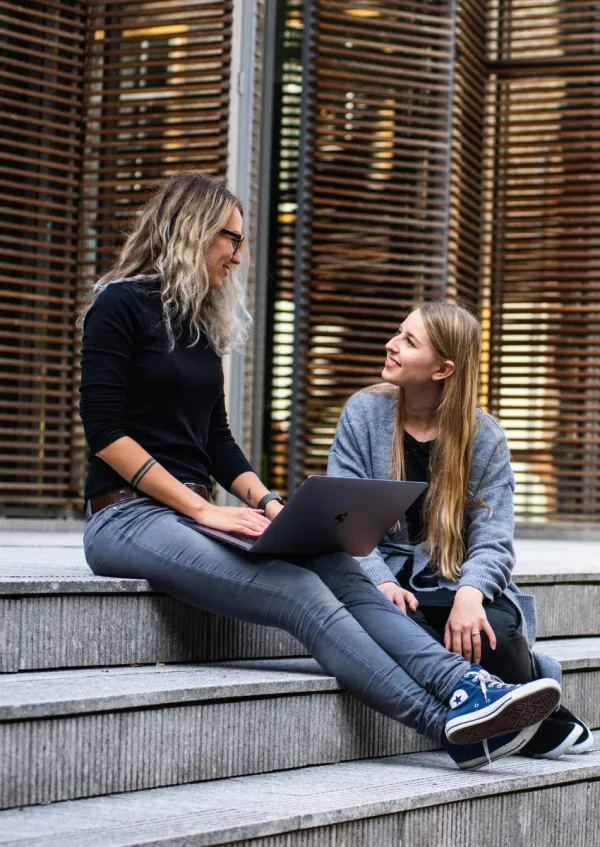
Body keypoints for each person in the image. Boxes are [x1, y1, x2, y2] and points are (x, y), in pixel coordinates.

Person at [79, 171, 561, 773]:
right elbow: (104, 433)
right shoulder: (118, 305)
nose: (237, 253)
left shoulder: (199, 326)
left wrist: (275, 508)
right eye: (232, 237)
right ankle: (447, 725)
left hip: (197, 515)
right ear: (192, 230)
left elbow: (219, 444)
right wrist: (202, 508)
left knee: (335, 562)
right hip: (128, 517)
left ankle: (467, 688)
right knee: (301, 592)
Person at [328, 300, 593, 760]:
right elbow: (343, 516)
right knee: (395, 626)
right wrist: (381, 579)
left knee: (496, 631)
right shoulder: (363, 412)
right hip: (384, 576)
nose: (390, 345)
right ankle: (540, 722)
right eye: (398, 332)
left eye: (408, 342)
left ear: (442, 369)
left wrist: (471, 593)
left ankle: (517, 705)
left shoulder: (483, 434)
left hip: (451, 578)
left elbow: (494, 537)